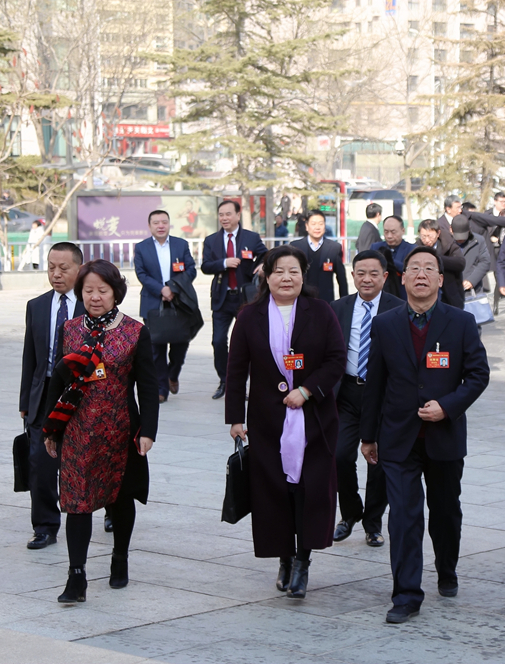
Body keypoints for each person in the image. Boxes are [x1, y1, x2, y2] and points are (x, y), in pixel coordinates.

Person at [359, 246, 490, 624]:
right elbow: (376, 384)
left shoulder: (461, 322)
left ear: (438, 279)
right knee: (403, 516)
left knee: (445, 512)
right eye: (413, 268)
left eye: (428, 268)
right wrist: (369, 436)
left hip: (444, 434)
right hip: (398, 438)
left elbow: (478, 375)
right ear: (403, 278)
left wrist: (447, 406)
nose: (420, 274)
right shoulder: (385, 324)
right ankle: (405, 594)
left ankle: (447, 568)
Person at [225, 245, 347, 599]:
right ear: (266, 274)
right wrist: (235, 417)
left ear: (303, 275)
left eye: (293, 271)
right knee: (273, 491)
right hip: (267, 420)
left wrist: (308, 390)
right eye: (278, 271)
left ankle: (303, 563)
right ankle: (283, 557)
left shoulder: (321, 312)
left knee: (309, 491)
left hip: (315, 419)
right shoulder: (249, 316)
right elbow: (236, 371)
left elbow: (336, 359)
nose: (286, 278)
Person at [41, 259, 160, 603]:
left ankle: (119, 557)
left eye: (102, 291)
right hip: (77, 430)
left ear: (116, 293)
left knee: (120, 499)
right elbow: (58, 379)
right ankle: (76, 576)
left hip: (120, 431)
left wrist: (147, 431)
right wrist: (50, 428)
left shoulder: (135, 331)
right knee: (77, 502)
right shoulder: (71, 329)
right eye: (88, 290)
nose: (95, 297)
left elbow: (148, 387)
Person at [330, 251, 404, 548]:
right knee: (339, 456)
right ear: (353, 275)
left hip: (384, 396)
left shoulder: (398, 309)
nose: (367, 279)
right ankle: (349, 513)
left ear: (385, 276)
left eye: (374, 273)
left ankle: (373, 523)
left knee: (380, 462)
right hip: (347, 393)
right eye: (361, 273)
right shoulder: (338, 308)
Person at [19, 242, 86, 550]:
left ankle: (111, 508)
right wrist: (25, 402)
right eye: (51, 268)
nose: (56, 275)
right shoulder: (37, 306)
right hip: (44, 391)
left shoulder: (92, 304)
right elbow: (29, 358)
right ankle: (45, 525)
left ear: (79, 270)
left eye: (63, 269)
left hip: (82, 393)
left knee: (92, 458)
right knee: (41, 464)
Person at [201, 200, 267, 399]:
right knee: (218, 341)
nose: (224, 218)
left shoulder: (252, 238)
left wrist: (263, 265)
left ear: (238, 215)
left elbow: (265, 255)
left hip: (245, 299)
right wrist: (223, 263)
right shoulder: (211, 240)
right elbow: (205, 266)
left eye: (228, 214)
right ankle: (225, 380)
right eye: (221, 214)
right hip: (222, 298)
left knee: (247, 343)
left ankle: (241, 381)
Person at [133, 209, 197, 403]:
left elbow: (191, 269)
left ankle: (173, 374)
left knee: (180, 344)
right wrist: (161, 289)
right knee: (155, 348)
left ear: (169, 224)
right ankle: (161, 389)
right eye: (156, 222)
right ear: (150, 226)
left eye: (164, 222)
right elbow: (142, 274)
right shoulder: (141, 247)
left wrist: (173, 288)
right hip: (153, 303)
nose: (160, 226)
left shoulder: (181, 245)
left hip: (179, 302)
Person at [291, 211, 348, 303]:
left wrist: (345, 303)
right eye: (313, 224)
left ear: (325, 226)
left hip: (325, 301)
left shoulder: (334, 248)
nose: (317, 227)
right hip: (300, 300)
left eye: (321, 224)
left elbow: (341, 279)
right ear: (306, 226)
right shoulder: (296, 247)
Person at [415, 217, 466, 308]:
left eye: (430, 236)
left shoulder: (448, 244)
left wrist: (437, 259)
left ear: (438, 233)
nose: (427, 240)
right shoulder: (416, 247)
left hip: (450, 293)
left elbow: (460, 263)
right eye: (423, 236)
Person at [371, 215, 415, 299]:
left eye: (393, 232)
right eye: (386, 232)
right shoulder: (376, 248)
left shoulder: (412, 249)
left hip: (403, 297)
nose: (389, 236)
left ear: (403, 231)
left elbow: (411, 271)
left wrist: (388, 260)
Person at [452, 215, 491, 295]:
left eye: (463, 237)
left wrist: (472, 280)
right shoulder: (446, 242)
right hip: (452, 290)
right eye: (458, 238)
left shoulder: (478, 241)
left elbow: (485, 261)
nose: (460, 240)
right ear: (451, 230)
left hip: (473, 290)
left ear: (469, 230)